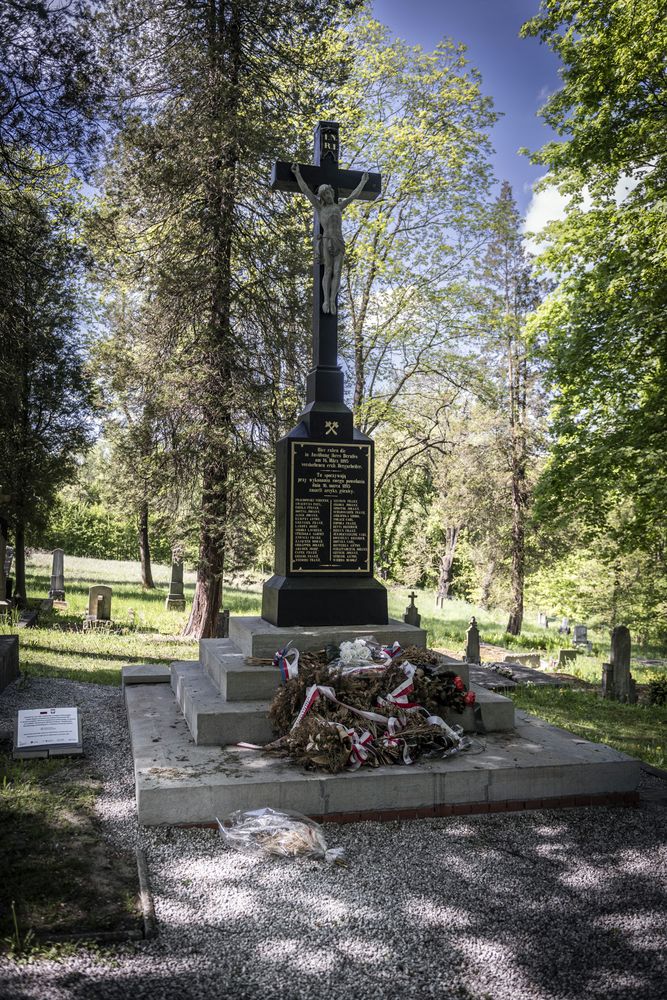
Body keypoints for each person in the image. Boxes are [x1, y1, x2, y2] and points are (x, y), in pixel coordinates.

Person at [291, 162, 369, 314]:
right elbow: (306, 190)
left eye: (329, 193)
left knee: (337, 271)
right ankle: (326, 299)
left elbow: (354, 195)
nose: (328, 196)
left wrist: (363, 182)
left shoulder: (339, 207)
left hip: (339, 241)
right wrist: (297, 174)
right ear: (322, 197)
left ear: (332, 193)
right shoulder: (320, 208)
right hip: (326, 240)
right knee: (328, 270)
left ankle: (333, 300)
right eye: (325, 195)